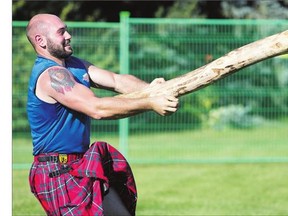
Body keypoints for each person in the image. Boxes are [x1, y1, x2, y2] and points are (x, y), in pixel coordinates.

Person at [26, 13, 179, 216]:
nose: (69, 35)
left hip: (80, 163)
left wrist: (153, 89)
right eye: (61, 32)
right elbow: (96, 108)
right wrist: (150, 102)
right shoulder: (51, 76)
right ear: (41, 41)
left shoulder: (75, 66)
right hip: (56, 170)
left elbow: (117, 81)